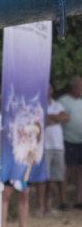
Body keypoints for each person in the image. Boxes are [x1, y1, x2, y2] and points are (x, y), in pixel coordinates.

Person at [38, 83, 69, 215]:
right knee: (42, 178)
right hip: (44, 146)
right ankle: (41, 207)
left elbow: (66, 117)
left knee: (54, 178)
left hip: (58, 146)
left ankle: (49, 206)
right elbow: (40, 121)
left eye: (50, 87)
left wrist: (50, 117)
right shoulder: (38, 105)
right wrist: (57, 118)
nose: (48, 90)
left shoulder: (57, 105)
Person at [57, 75, 82, 208]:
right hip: (68, 140)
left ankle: (79, 200)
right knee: (66, 170)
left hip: (81, 141)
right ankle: (63, 200)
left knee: (80, 170)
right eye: (80, 86)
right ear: (74, 86)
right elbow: (58, 118)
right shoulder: (63, 101)